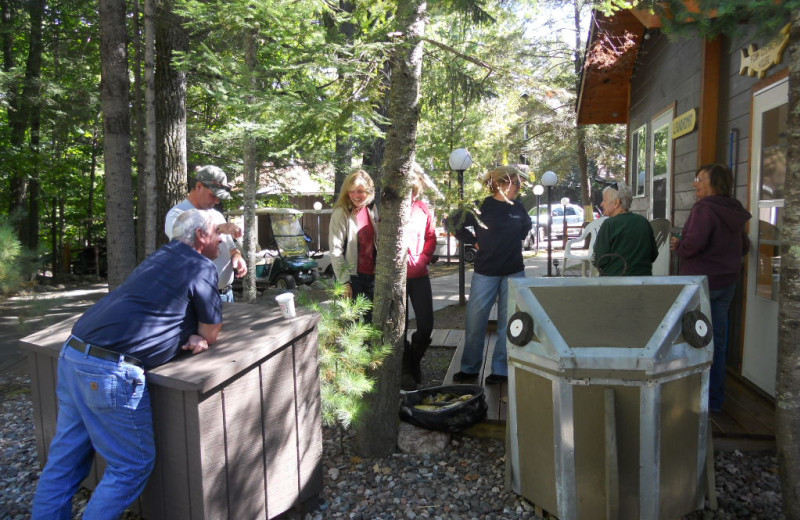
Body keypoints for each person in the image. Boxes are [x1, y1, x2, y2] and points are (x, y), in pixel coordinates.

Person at [32, 209, 225, 519]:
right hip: (108, 371)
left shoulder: (161, 257)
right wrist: (198, 336)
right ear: (201, 236)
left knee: (65, 461)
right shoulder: (200, 264)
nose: (222, 239)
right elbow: (211, 330)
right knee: (131, 466)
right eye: (218, 233)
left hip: (74, 353)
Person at [670, 163, 751, 412]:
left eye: (700, 179)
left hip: (701, 284)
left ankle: (694, 399)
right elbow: (745, 246)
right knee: (719, 339)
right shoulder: (734, 210)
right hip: (727, 283)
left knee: (693, 338)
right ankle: (715, 400)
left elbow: (694, 244)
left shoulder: (704, 208)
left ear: (714, 184)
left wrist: (678, 245)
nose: (695, 184)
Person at [452, 165, 531, 385]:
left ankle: (500, 369)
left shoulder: (519, 208)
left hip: (514, 273)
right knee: (476, 321)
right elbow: (452, 222)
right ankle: (469, 368)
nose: (519, 187)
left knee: (509, 323)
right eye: (515, 183)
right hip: (485, 273)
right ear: (501, 184)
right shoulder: (481, 207)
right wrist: (473, 241)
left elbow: (526, 227)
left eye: (519, 183)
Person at [165, 165, 247, 302]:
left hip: (227, 294)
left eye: (219, 198)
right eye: (213, 195)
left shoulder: (216, 215)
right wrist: (219, 228)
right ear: (198, 187)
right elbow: (188, 244)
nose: (216, 201)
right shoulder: (178, 214)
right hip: (199, 297)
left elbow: (231, 248)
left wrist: (237, 256)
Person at [401, 167, 437, 391]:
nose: (410, 195)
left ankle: (414, 361)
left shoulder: (423, 209)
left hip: (419, 274)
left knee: (426, 325)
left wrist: (424, 258)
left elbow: (431, 237)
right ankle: (405, 370)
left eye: (413, 190)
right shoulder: (388, 209)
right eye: (406, 190)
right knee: (399, 327)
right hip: (395, 279)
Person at [329, 169, 379, 314]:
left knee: (371, 324)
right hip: (352, 278)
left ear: (369, 192)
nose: (355, 196)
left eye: (360, 191)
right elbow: (335, 249)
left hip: (373, 276)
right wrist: (344, 282)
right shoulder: (341, 212)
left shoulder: (371, 209)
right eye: (352, 191)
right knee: (354, 325)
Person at [593, 182, 658, 276]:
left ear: (616, 202)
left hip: (615, 284)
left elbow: (599, 260)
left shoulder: (609, 224)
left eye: (604, 200)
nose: (602, 204)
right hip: (643, 282)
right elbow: (653, 255)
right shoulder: (643, 222)